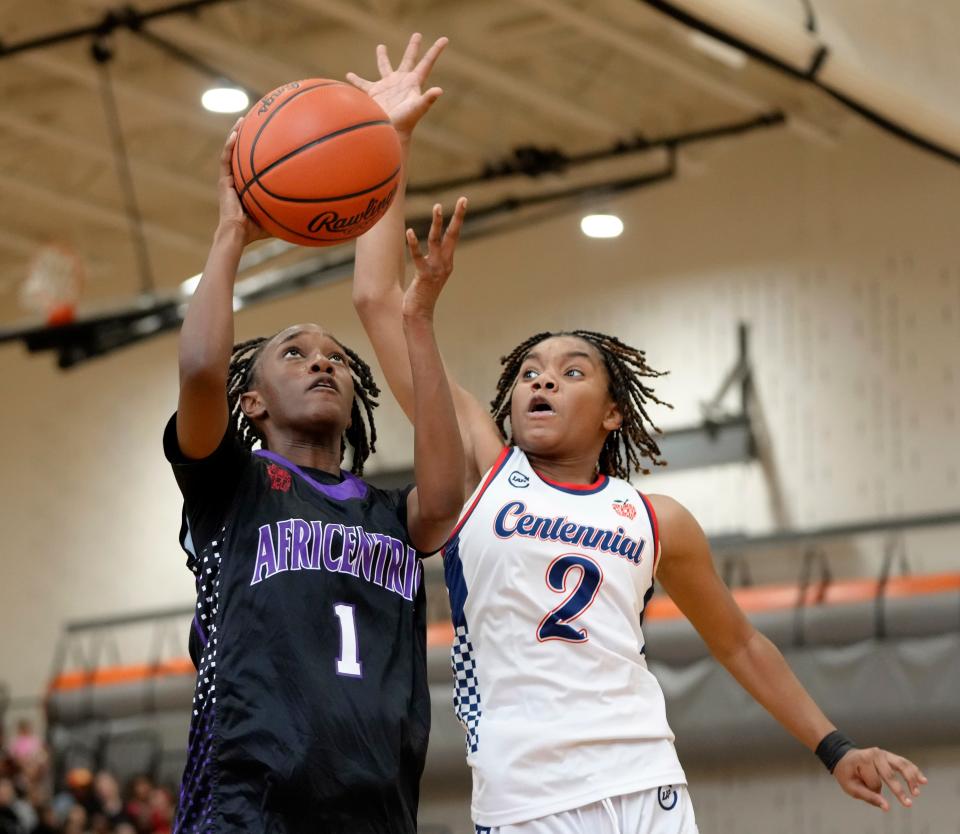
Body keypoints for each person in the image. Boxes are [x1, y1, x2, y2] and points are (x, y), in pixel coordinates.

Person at [350, 83, 928, 834]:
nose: (543, 379)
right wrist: (386, 141)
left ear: (614, 411)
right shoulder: (483, 472)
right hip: (530, 796)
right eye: (528, 372)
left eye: (570, 371)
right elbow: (374, 297)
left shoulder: (657, 520)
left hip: (648, 782)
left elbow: (742, 643)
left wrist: (833, 746)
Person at [164, 34, 462, 834]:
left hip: (379, 808)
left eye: (335, 357)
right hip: (249, 806)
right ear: (252, 405)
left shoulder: (391, 515)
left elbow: (449, 487)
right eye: (292, 354)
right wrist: (231, 231)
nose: (322, 362)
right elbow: (199, 374)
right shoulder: (233, 489)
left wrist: (418, 321)